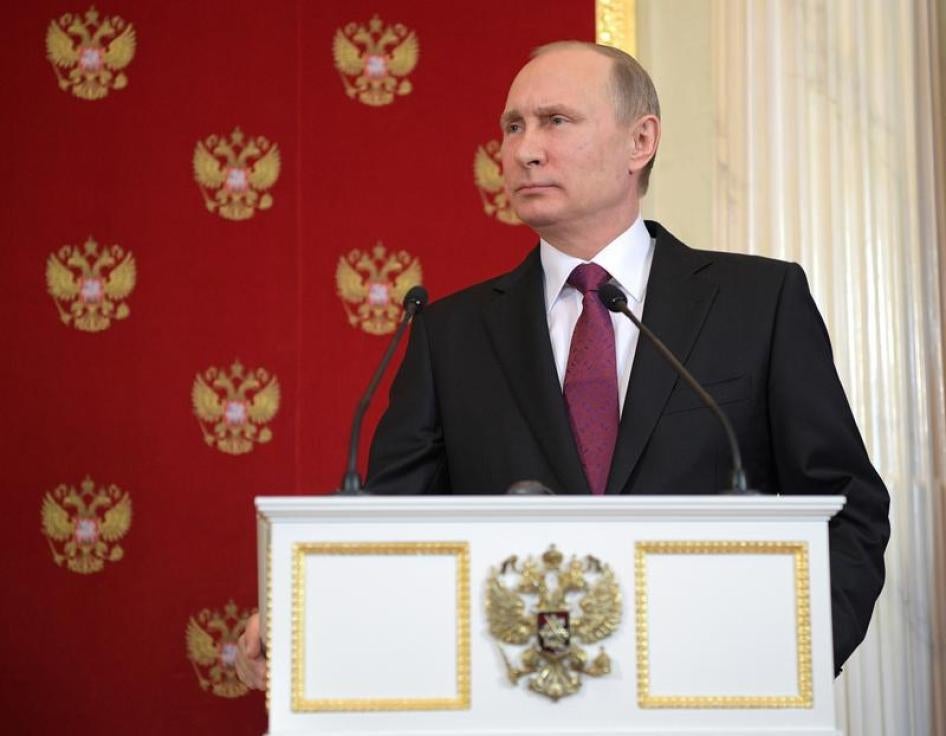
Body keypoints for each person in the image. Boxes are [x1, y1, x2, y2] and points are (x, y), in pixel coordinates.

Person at [236, 41, 889, 690]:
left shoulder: (758, 304)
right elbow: (389, 531)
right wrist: (308, 614)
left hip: (710, 695)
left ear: (641, 141)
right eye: (512, 126)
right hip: (516, 702)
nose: (524, 149)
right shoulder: (451, 333)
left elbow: (845, 506)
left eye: (555, 121)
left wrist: (792, 659)